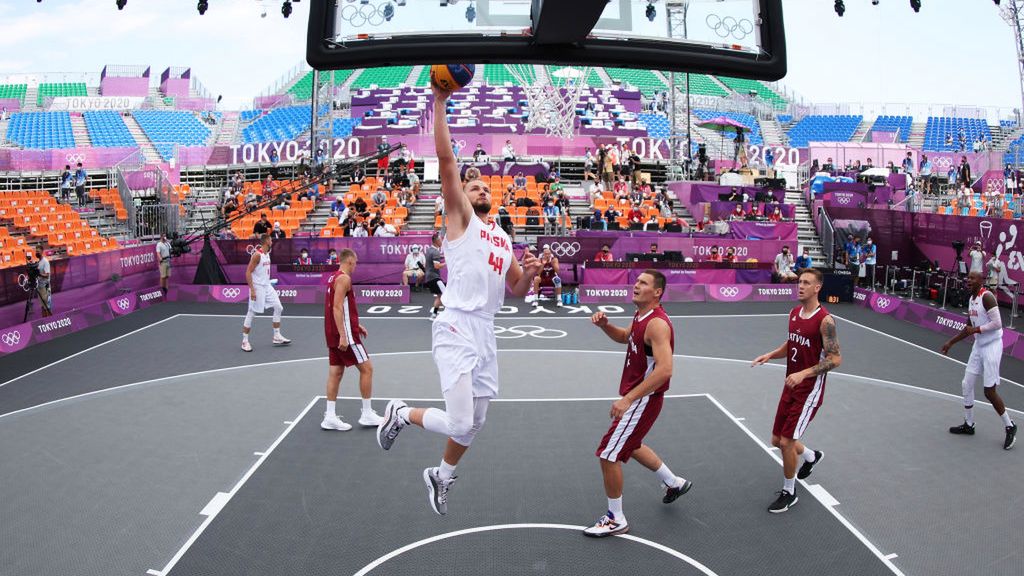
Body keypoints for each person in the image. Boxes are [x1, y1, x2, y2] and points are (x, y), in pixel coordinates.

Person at [375, 81, 542, 516]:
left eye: (486, 188)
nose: (481, 189)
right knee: (463, 421)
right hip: (455, 324)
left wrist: (534, 276)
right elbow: (448, 160)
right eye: (474, 188)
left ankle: (441, 476)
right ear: (460, 200)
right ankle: (400, 412)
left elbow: (518, 289)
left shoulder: (502, 237)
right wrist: (440, 101)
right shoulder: (460, 219)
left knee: (476, 423)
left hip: (486, 331)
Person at [584, 270, 692, 537]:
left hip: (642, 400)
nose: (636, 285)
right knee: (631, 445)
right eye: (637, 281)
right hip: (639, 398)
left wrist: (628, 399)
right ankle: (673, 482)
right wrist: (605, 325)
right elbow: (625, 337)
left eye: (643, 283)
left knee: (608, 454)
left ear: (657, 292)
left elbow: (665, 369)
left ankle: (615, 518)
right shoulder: (640, 316)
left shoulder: (657, 324)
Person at [751, 268, 842, 513]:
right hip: (791, 385)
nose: (800, 286)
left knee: (787, 442)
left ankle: (789, 492)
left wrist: (803, 373)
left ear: (817, 288)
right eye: (799, 281)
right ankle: (811, 456)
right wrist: (771, 354)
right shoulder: (793, 313)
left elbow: (835, 359)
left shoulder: (825, 321)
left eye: (806, 283)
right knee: (776, 440)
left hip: (809, 389)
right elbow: (792, 343)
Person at [941, 272, 1017, 450]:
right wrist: (950, 343)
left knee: (989, 392)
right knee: (966, 384)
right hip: (979, 346)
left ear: (981, 280)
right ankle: (969, 424)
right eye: (967, 278)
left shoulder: (987, 297)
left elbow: (998, 323)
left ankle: (1010, 426)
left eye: (972, 278)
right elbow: (968, 328)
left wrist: (976, 330)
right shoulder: (971, 299)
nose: (969, 281)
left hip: (992, 346)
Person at [321, 248, 384, 430]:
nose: (356, 266)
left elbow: (343, 309)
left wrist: (356, 325)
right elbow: (337, 308)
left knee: (336, 372)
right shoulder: (344, 279)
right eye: (355, 262)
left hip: (332, 332)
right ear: (349, 261)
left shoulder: (333, 277)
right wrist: (344, 334)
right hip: (345, 336)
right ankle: (367, 414)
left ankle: (330, 416)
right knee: (367, 369)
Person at [241, 234, 291, 352]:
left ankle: (276, 336)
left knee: (279, 307)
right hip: (257, 287)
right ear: (266, 242)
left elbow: (263, 271)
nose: (272, 241)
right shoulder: (257, 255)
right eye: (271, 240)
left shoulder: (267, 254)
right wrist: (252, 289)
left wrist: (269, 281)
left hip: (267, 286)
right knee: (251, 312)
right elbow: (248, 272)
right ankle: (244, 341)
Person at [424, 232, 446, 320]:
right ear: (436, 241)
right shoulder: (435, 251)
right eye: (440, 239)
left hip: (429, 277)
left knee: (440, 295)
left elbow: (427, 264)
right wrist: (446, 262)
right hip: (434, 277)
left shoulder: (429, 250)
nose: (441, 241)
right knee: (445, 295)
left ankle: (434, 314)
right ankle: (449, 315)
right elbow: (437, 266)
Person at [34, 248, 52, 317]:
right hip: (39, 286)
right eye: (36, 251)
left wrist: (39, 274)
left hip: (45, 287)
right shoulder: (38, 262)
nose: (36, 253)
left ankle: (49, 320)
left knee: (47, 305)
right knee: (42, 306)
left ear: (42, 252)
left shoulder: (45, 262)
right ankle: (44, 320)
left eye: (38, 251)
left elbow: (47, 275)